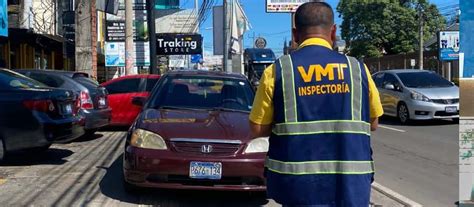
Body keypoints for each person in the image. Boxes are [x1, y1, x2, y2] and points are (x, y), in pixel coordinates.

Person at [249, 2, 384, 206]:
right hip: (349, 187)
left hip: (297, 189)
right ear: (333, 31)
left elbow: (257, 128)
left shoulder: (278, 71)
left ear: (295, 35)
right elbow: (372, 123)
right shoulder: (357, 69)